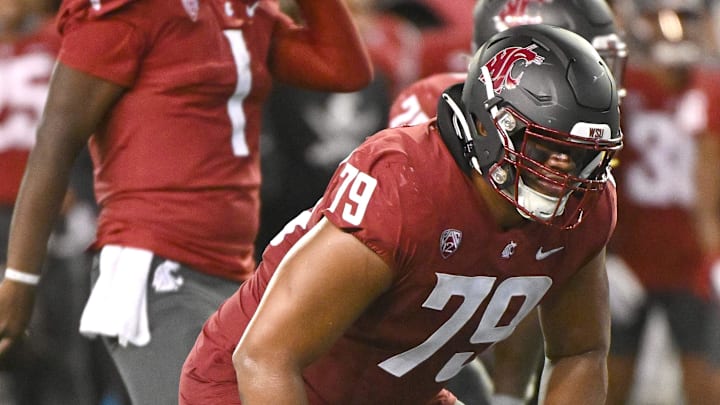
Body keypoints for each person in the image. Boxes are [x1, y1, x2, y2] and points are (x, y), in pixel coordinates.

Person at [179, 23, 623, 404]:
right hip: (257, 384)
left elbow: (578, 351)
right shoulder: (406, 187)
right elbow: (265, 357)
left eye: (582, 155)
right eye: (546, 149)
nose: (563, 174)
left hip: (396, 393)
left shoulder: (587, 208)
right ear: (488, 126)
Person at [0, 0, 373, 404]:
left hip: (234, 272)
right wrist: (20, 279)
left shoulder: (243, 12)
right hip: (156, 265)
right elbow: (56, 139)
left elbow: (343, 68)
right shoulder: (134, 11)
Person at [387, 1, 628, 403]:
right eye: (585, 59)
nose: (596, 79)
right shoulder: (434, 113)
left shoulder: (580, 157)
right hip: (399, 342)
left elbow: (537, 275)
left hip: (461, 335)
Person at [605, 2, 720, 404]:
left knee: (706, 385)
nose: (672, 28)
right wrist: (600, 253)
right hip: (629, 258)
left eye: (686, 16)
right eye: (661, 14)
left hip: (695, 264)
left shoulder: (712, 88)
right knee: (605, 381)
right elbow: (597, 174)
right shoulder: (619, 85)